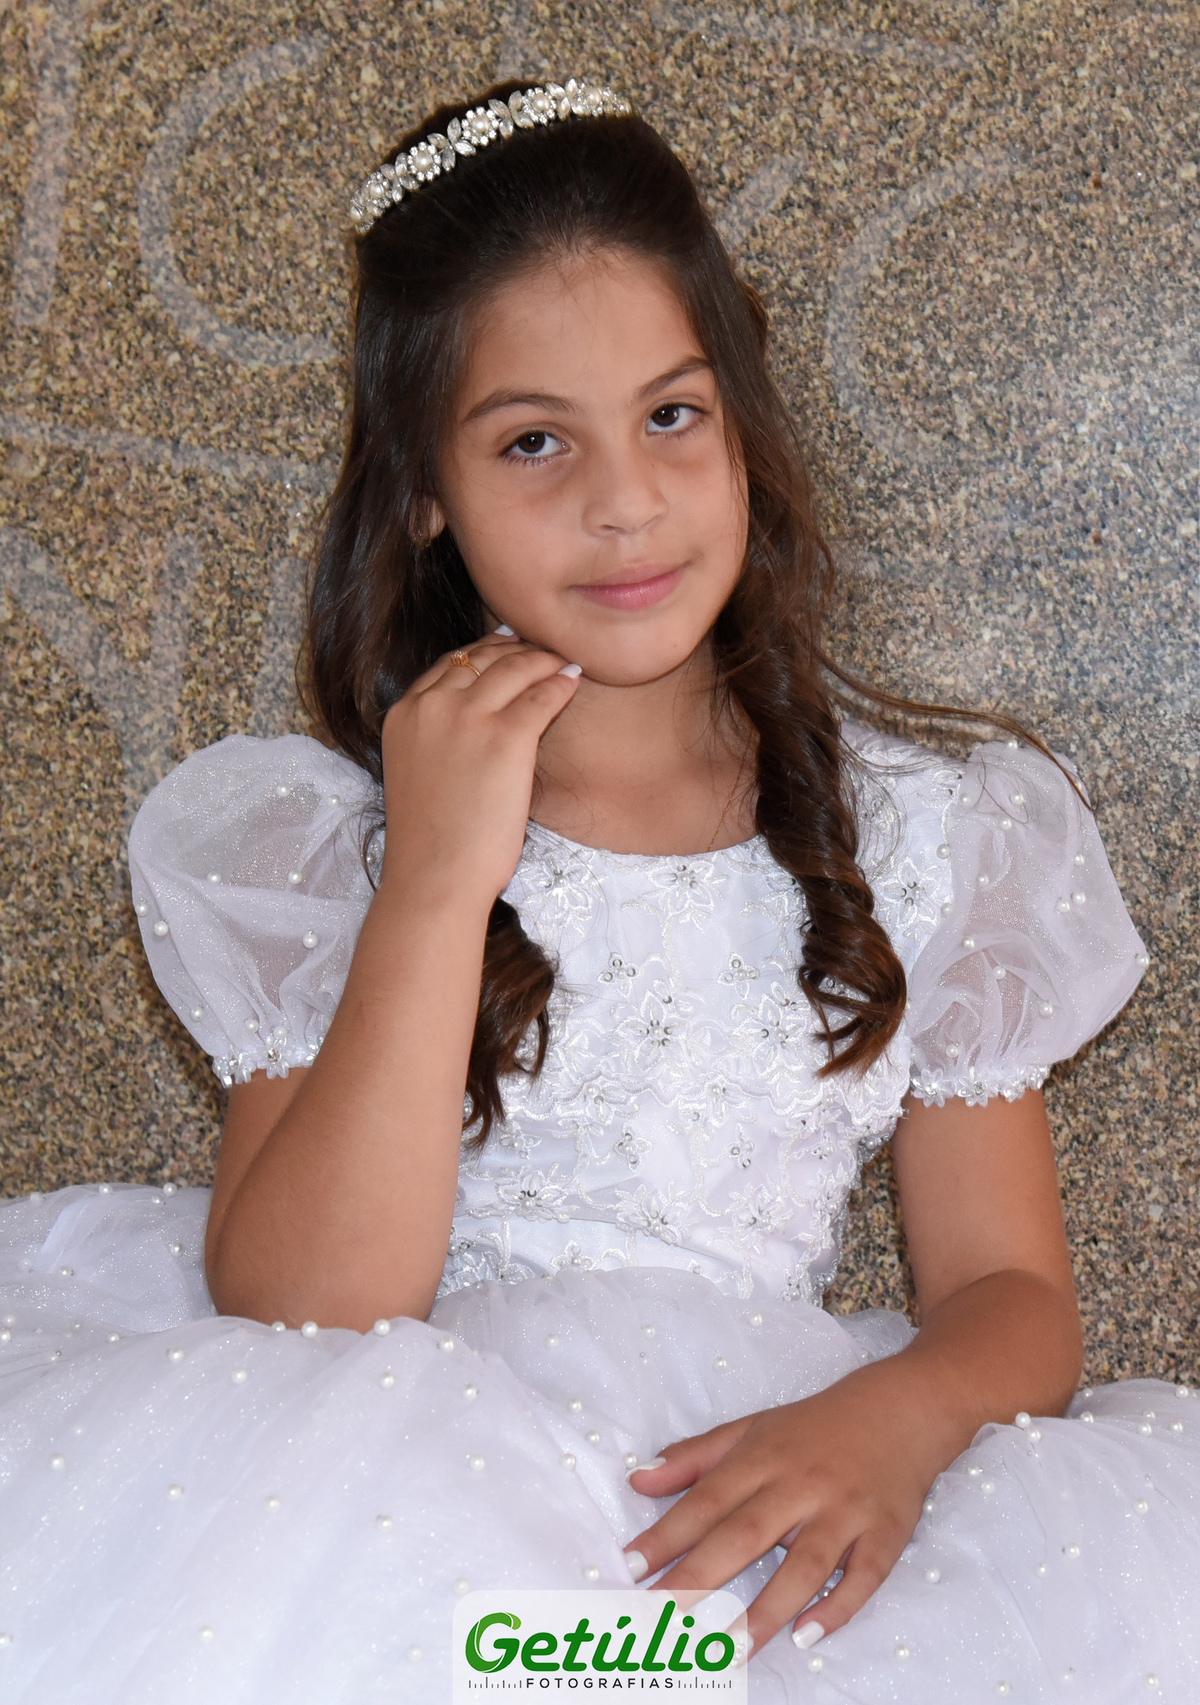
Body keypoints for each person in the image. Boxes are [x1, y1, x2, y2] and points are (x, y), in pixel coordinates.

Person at [0, 75, 1195, 1705]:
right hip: (399, 1499)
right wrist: (436, 882)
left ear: (743, 417)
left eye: (671, 416)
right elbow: (304, 1304)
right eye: (533, 442)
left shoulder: (926, 828)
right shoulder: (330, 841)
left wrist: (899, 1420)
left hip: (768, 1485)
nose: (622, 501)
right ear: (425, 489)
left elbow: (1012, 1290)